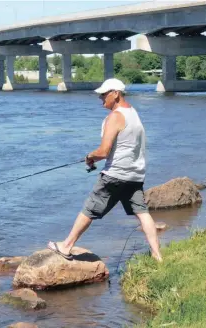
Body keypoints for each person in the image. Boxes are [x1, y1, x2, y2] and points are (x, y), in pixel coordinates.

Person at [48, 78, 162, 262]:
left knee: (89, 209)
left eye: (103, 95)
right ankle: (157, 256)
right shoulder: (133, 112)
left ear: (115, 93)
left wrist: (89, 157)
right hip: (135, 175)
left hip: (115, 175)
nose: (101, 99)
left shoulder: (115, 117)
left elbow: (103, 151)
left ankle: (66, 246)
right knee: (142, 213)